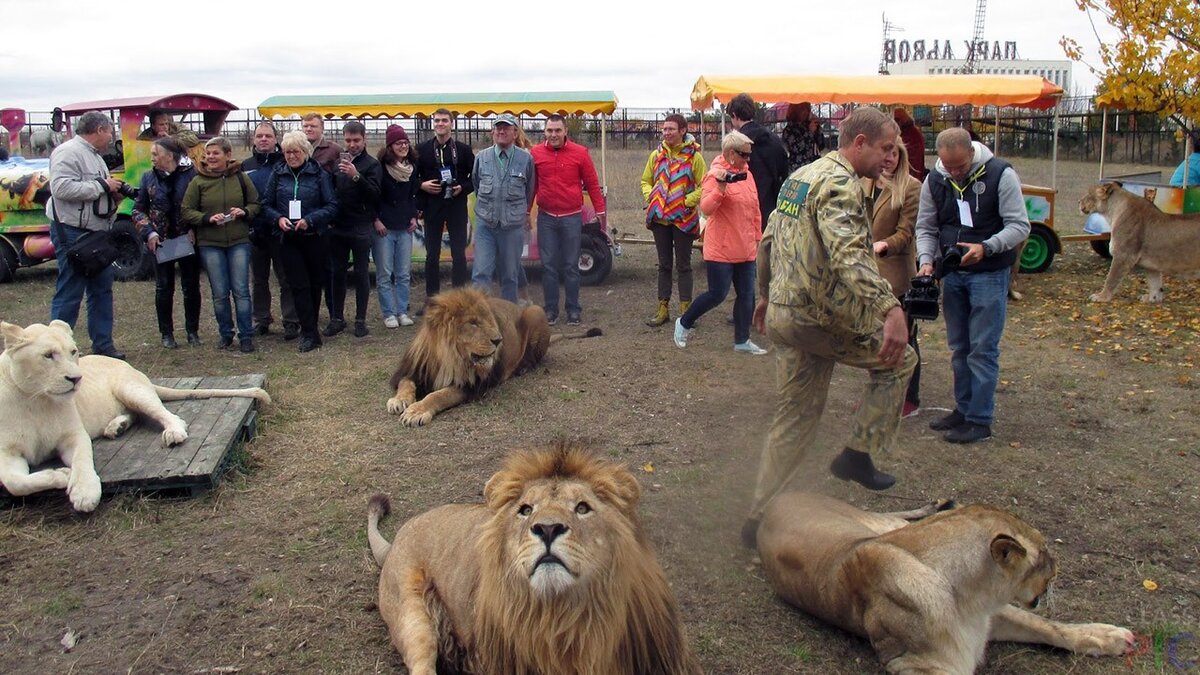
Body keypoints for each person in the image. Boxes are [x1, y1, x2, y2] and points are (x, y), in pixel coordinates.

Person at [743, 107, 915, 548]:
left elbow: (767, 240)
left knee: (795, 418)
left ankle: (758, 516)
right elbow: (850, 256)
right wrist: (889, 309)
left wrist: (764, 295)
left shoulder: (801, 177)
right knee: (901, 359)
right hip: (821, 316)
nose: (889, 159)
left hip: (787, 315)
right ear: (859, 144)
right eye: (885, 149)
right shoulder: (840, 185)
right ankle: (859, 453)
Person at [915, 127, 1030, 444]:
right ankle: (963, 410)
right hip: (953, 274)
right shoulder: (935, 180)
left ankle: (979, 419)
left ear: (972, 153)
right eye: (948, 166)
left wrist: (987, 247)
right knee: (959, 347)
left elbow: (1020, 225)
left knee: (982, 348)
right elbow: (926, 225)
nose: (954, 172)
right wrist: (927, 260)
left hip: (989, 273)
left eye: (960, 167)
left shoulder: (1000, 174)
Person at [672, 131, 764, 354]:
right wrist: (721, 189)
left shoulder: (747, 175)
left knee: (747, 295)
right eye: (745, 155)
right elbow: (706, 208)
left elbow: (755, 209)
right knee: (717, 294)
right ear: (731, 154)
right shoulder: (714, 175)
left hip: (745, 247)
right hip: (721, 249)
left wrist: (757, 238)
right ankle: (683, 323)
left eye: (750, 155)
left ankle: (742, 340)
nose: (748, 159)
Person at [46, 110, 127, 360]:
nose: (112, 137)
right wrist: (102, 186)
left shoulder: (95, 156)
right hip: (72, 230)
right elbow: (60, 187)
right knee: (71, 287)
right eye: (110, 132)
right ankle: (55, 349)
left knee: (102, 288)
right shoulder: (68, 152)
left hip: (96, 233)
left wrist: (114, 192)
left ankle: (103, 346)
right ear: (100, 130)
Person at [181, 136, 260, 353]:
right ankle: (226, 334)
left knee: (242, 290)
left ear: (227, 155)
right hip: (210, 243)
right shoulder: (198, 181)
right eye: (208, 153)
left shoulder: (241, 178)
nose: (211, 157)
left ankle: (246, 336)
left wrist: (244, 212)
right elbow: (187, 210)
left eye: (216, 153)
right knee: (219, 292)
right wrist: (206, 218)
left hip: (238, 242)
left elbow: (255, 204)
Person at [261, 131, 338, 353]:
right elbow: (265, 204)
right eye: (287, 152)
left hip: (314, 237)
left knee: (315, 285)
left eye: (296, 151)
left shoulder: (319, 174)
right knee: (298, 286)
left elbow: (332, 205)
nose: (291, 156)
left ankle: (311, 329)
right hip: (288, 238)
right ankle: (308, 333)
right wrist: (278, 219)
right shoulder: (278, 174)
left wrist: (310, 220)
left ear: (305, 152)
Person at [863, 135, 923, 418]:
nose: (888, 159)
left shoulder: (911, 187)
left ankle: (908, 397)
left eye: (894, 154)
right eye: (884, 152)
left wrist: (886, 244)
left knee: (905, 337)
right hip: (868, 275)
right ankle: (879, 394)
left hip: (896, 274)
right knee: (875, 339)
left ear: (901, 157)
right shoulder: (865, 182)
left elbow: (906, 231)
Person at [531, 114, 606, 325]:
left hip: (571, 218)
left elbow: (592, 183)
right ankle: (551, 310)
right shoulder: (535, 154)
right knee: (548, 266)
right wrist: (526, 212)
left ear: (565, 132)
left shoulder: (580, 153)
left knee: (571, 265)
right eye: (549, 131)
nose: (553, 135)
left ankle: (573, 309)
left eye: (557, 130)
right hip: (546, 218)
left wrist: (599, 210)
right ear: (544, 132)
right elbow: (532, 186)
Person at [132, 137, 200, 350]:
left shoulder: (191, 176)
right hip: (160, 241)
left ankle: (192, 331)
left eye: (155, 154)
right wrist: (149, 232)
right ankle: (167, 333)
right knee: (164, 288)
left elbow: (201, 205)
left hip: (185, 239)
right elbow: (138, 209)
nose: (152, 158)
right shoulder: (148, 178)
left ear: (170, 156)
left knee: (190, 287)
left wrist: (194, 229)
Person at [641, 114, 706, 326]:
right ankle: (663, 309)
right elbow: (645, 180)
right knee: (664, 265)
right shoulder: (656, 155)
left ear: (683, 131)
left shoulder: (694, 156)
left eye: (671, 129)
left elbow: (705, 185)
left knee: (684, 266)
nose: (667, 133)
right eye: (664, 129)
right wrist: (652, 197)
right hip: (660, 219)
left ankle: (687, 312)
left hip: (683, 219)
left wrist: (687, 201)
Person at [325, 121, 381, 339]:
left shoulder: (371, 165)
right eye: (348, 140)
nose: (352, 144)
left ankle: (360, 320)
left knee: (360, 274)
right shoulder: (338, 163)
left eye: (356, 140)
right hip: (338, 226)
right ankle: (337, 318)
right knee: (337, 273)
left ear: (364, 139)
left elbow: (375, 194)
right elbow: (331, 192)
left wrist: (356, 176)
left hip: (361, 226)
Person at [471, 114, 536, 302]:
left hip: (512, 227)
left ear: (515, 133)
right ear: (492, 132)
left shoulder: (525, 159)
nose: (501, 131)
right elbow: (476, 185)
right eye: (497, 128)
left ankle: (509, 316)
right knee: (481, 273)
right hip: (486, 226)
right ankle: (479, 319)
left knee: (509, 274)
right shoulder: (481, 158)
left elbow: (529, 190)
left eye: (506, 128)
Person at [243, 121, 298, 341]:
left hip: (280, 230)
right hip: (256, 232)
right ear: (254, 140)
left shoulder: (284, 163)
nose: (263, 139)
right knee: (259, 279)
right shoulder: (245, 166)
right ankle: (261, 319)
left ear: (276, 139)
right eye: (259, 136)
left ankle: (291, 321)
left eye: (268, 135)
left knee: (286, 279)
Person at [415, 108, 474, 308]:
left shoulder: (463, 150)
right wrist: (422, 186)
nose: (440, 124)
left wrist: (462, 188)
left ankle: (460, 299)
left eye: (444, 121)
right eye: (437, 120)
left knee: (459, 254)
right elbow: (412, 177)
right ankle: (432, 300)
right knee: (432, 255)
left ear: (451, 124)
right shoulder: (421, 149)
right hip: (432, 207)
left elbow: (474, 179)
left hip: (456, 206)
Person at [375, 124, 419, 329]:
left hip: (405, 227)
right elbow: (374, 196)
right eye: (398, 143)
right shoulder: (380, 168)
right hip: (385, 227)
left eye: (405, 143)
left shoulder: (412, 167)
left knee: (403, 273)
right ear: (390, 146)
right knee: (385, 273)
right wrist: (376, 219)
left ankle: (402, 310)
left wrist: (413, 216)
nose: (403, 146)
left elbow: (412, 196)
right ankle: (389, 313)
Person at [726, 93, 788, 229]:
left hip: (744, 207)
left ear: (735, 115)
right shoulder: (774, 140)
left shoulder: (735, 144)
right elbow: (784, 170)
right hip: (771, 205)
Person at [781, 102, 825, 174]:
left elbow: (821, 145)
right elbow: (797, 149)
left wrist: (818, 130)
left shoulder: (808, 125)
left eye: (807, 109)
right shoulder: (789, 130)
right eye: (802, 109)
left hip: (813, 167)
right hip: (798, 168)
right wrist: (809, 133)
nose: (805, 112)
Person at [893, 107, 927, 181]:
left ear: (903, 120)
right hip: (910, 173)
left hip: (910, 174)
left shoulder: (911, 134)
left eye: (897, 119)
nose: (895, 122)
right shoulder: (911, 132)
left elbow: (910, 157)